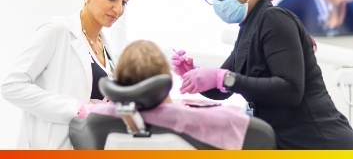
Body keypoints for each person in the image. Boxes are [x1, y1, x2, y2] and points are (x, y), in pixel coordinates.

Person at [171, 0, 353, 149]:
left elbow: (290, 90)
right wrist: (192, 74)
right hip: (288, 141)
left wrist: (223, 78)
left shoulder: (274, 18)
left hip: (320, 142)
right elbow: (222, 92)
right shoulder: (248, 29)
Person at [1, 0, 134, 149]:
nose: (119, 9)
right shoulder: (57, 30)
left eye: (125, 1)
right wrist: (76, 108)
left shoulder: (106, 45)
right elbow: (11, 86)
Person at [79, 39, 251, 149]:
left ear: (120, 81)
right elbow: (260, 134)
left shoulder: (98, 120)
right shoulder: (209, 121)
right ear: (167, 80)